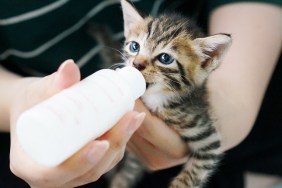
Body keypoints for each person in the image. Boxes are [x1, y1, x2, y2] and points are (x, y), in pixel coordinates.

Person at [0, 0, 281, 188]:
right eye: (134, 48)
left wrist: (233, 101)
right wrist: (17, 98)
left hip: (240, 78)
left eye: (164, 59)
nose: (138, 63)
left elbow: (209, 147)